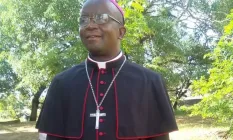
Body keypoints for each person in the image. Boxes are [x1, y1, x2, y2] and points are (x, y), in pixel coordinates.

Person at [36, 0, 178, 140]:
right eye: (83, 20)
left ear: (121, 32)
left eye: (101, 18)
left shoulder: (150, 82)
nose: (90, 25)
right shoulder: (61, 83)